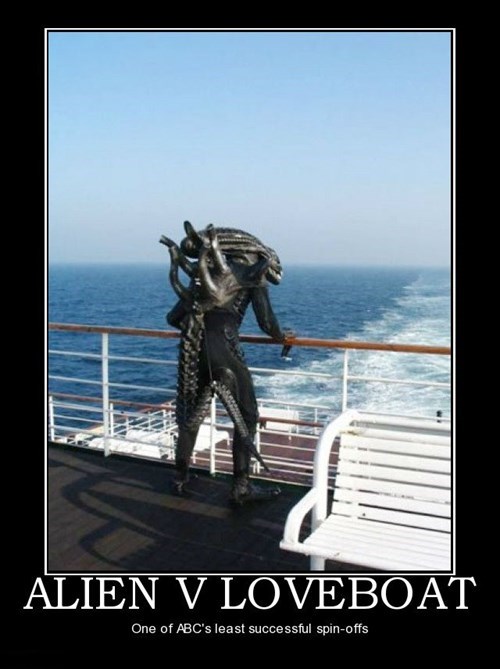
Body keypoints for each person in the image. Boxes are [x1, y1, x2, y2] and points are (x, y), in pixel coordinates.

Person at [161, 221, 291, 505]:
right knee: (247, 416)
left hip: (196, 348)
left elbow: (172, 318)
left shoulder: (206, 274)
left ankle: (180, 479)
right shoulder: (251, 273)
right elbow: (267, 323)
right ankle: (241, 487)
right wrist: (285, 337)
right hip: (225, 348)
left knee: (191, 417)